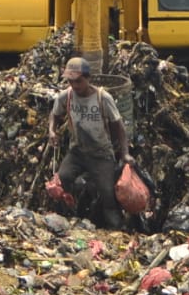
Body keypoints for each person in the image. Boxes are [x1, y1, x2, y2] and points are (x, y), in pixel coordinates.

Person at [47, 56, 131, 229]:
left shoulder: (102, 98)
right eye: (71, 82)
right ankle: (69, 218)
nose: (75, 86)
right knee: (62, 180)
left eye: (78, 81)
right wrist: (52, 131)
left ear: (87, 78)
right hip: (77, 151)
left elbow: (119, 128)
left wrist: (125, 153)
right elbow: (54, 115)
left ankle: (116, 229)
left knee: (108, 194)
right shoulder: (67, 96)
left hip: (101, 154)